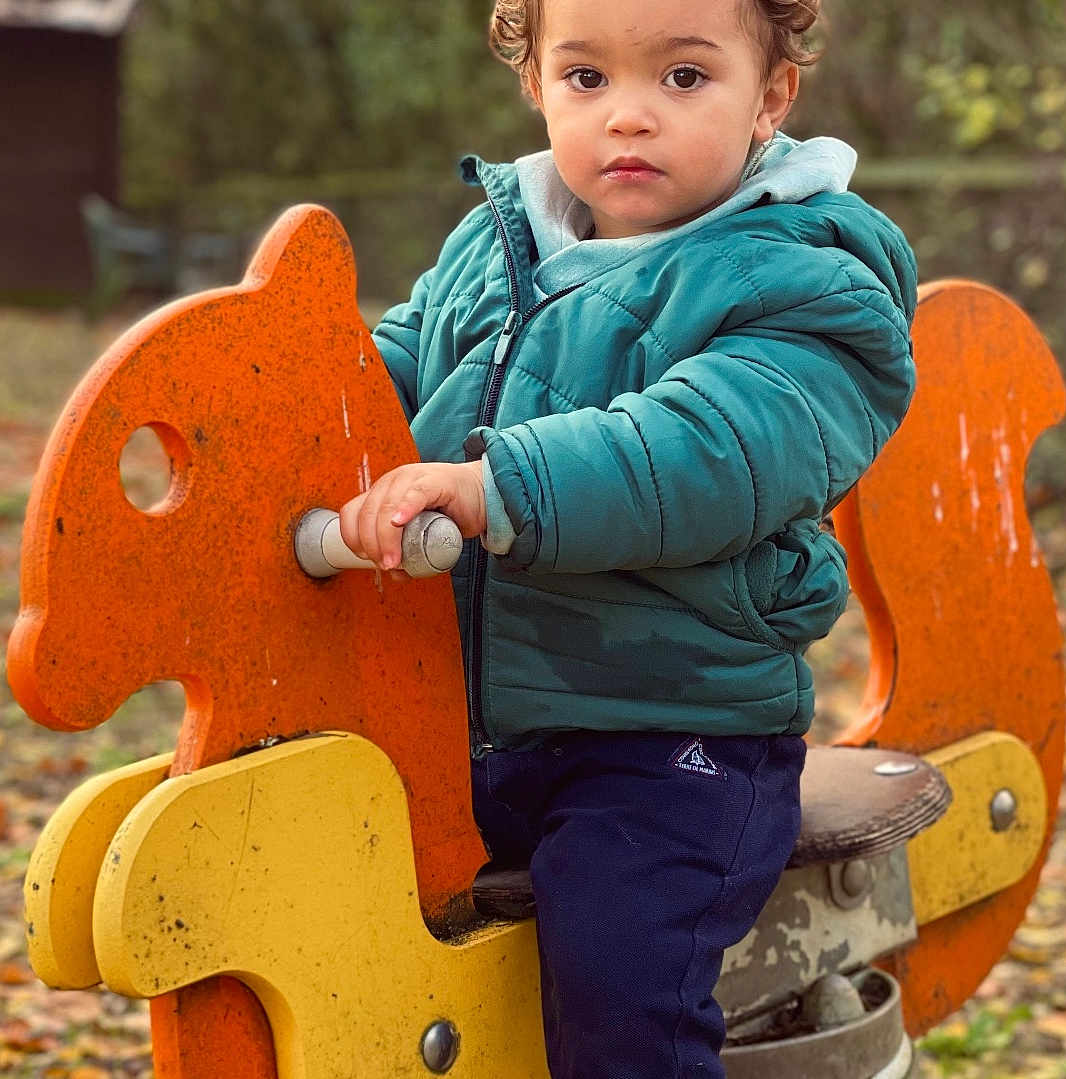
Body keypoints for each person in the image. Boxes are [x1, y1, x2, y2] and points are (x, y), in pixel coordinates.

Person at [339, 0, 917, 1074]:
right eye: (586, 78)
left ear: (770, 96)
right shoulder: (496, 240)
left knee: (620, 969)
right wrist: (290, 414)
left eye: (683, 78)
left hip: (666, 740)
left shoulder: (806, 279)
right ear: (534, 86)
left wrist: (496, 484)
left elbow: (710, 448)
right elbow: (389, 372)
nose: (628, 118)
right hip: (451, 721)